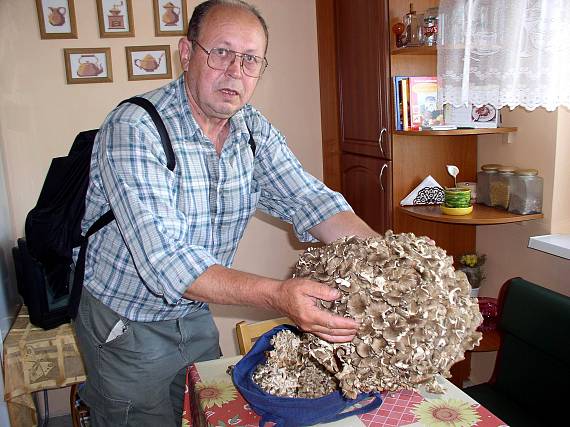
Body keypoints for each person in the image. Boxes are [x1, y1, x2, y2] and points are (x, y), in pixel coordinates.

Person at [73, 0, 378, 425]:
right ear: (186, 53)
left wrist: (387, 257)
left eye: (250, 59)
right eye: (221, 52)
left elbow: (312, 201)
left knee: (206, 412)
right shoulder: (134, 128)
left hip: (195, 312)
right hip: (127, 324)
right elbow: (168, 261)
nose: (236, 70)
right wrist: (278, 295)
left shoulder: (252, 128)